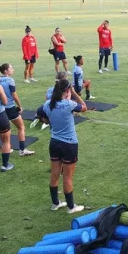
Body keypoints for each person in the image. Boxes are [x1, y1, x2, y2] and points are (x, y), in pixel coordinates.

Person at [45, 77, 88, 214]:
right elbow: (84, 107)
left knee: (54, 174)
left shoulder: (48, 104)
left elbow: (40, 114)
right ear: (67, 90)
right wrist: (74, 94)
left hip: (54, 143)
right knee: (68, 177)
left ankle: (55, 203)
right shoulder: (69, 104)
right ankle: (71, 206)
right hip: (69, 144)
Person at [0, 63, 35, 156]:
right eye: (11, 68)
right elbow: (14, 95)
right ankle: (22, 150)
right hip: (10, 108)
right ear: (6, 71)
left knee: (5, 129)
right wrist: (20, 105)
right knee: (21, 127)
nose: (13, 69)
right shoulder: (10, 80)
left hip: (0, 109)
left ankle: (7, 147)